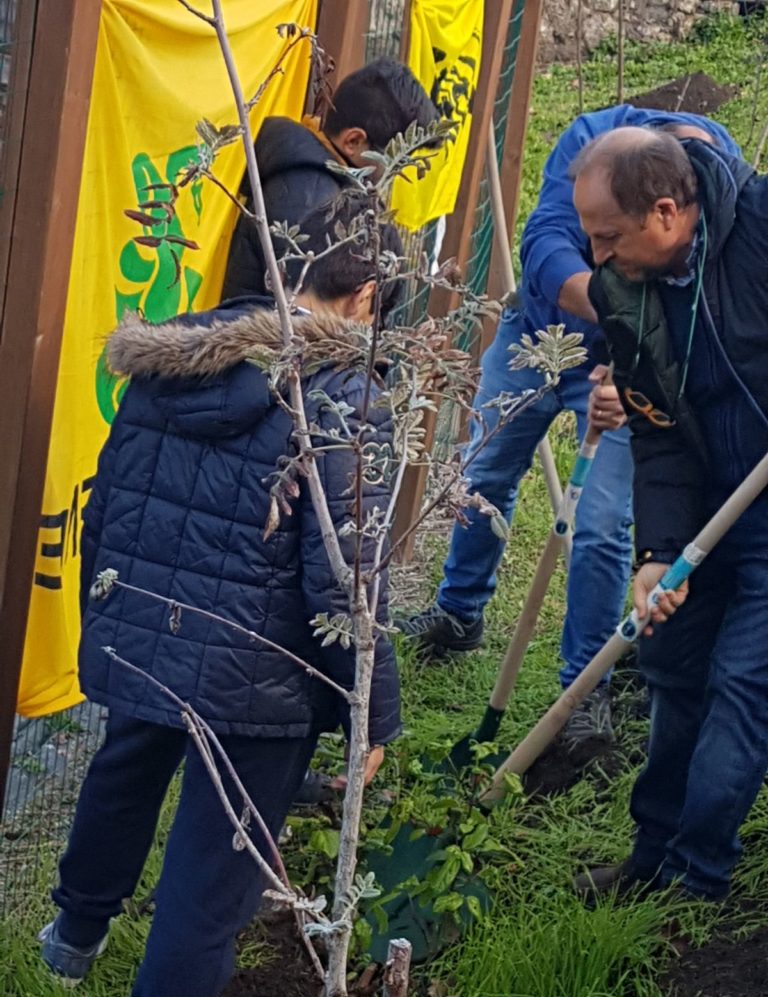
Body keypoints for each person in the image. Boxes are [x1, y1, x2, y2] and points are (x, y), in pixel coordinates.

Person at [38, 195, 402, 997]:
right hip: (256, 676)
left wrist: (118, 615)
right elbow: (346, 579)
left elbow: (107, 507)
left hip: (147, 630)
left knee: (123, 774)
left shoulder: (170, 359)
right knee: (210, 880)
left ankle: (71, 938)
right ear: (367, 294)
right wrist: (372, 716)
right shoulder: (338, 395)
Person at [397, 105, 740, 745]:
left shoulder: (712, 177)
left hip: (625, 371)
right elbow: (546, 244)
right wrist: (617, 316)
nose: (603, 247)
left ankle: (585, 691)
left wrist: (633, 359)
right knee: (482, 472)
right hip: (540, 335)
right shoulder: (588, 142)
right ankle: (458, 609)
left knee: (603, 521)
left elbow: (699, 297)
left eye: (613, 236)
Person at [571, 126, 768, 901]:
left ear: (664, 213)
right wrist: (658, 552)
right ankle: (652, 854)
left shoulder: (759, 227)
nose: (596, 258)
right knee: (673, 665)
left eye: (607, 237)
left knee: (743, 684)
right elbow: (656, 434)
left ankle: (697, 875)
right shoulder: (624, 292)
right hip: (706, 502)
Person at [221, 56, 437, 301]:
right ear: (353, 141)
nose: (397, 174)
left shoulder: (312, 177)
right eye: (395, 161)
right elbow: (297, 316)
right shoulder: (310, 200)